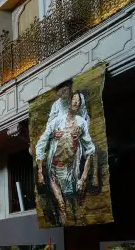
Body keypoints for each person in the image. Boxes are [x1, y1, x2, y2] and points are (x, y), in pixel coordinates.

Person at [34, 90, 96, 226]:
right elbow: (41, 144)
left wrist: (83, 178)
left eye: (78, 101)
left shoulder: (81, 123)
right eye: (73, 100)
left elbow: (90, 149)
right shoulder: (56, 121)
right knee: (62, 206)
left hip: (71, 170)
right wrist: (40, 172)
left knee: (77, 202)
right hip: (54, 169)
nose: (75, 102)